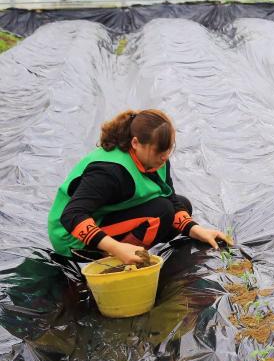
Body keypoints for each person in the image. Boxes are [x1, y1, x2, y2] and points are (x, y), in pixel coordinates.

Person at [47, 109, 229, 264]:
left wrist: (196, 230)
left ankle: (127, 252)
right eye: (158, 150)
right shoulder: (109, 172)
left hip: (104, 217)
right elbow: (71, 216)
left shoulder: (158, 159)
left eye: (169, 149)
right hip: (72, 239)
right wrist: (117, 248)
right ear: (135, 143)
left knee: (182, 206)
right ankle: (115, 259)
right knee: (161, 212)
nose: (164, 157)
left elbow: (170, 197)